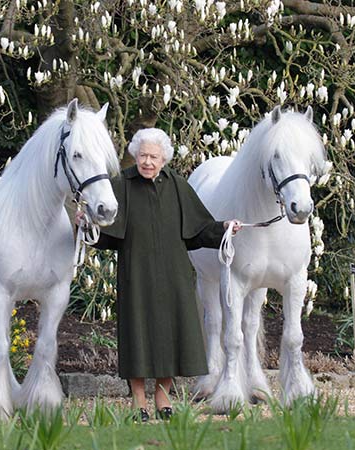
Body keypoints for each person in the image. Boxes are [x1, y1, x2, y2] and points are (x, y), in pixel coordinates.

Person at [87, 128, 241, 422]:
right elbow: (106, 236)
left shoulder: (178, 186)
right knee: (137, 335)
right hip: (136, 274)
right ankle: (139, 400)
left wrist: (225, 227)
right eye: (143, 155)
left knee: (173, 334)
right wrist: (88, 227)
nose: (147, 162)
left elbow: (199, 229)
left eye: (154, 157)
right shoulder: (121, 185)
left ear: (164, 159)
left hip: (174, 276)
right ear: (135, 155)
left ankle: (163, 396)